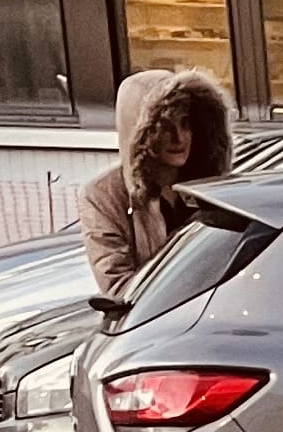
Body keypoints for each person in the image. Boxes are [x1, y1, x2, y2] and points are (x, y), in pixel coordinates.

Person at [78, 68, 235, 299]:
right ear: (141, 134)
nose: (179, 138)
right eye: (165, 128)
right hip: (153, 325)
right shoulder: (103, 196)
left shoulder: (209, 186)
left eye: (185, 124)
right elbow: (119, 288)